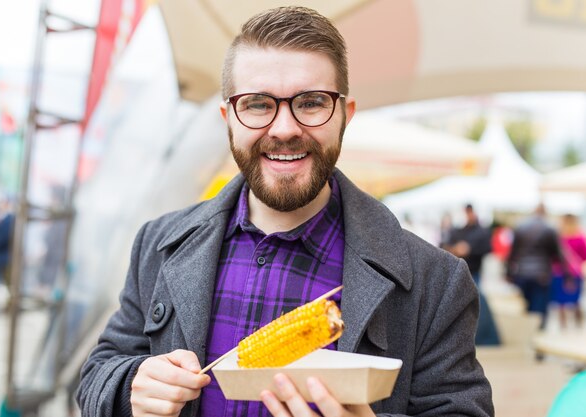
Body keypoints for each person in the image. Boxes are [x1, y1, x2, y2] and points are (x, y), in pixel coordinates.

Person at [77, 7, 493, 417]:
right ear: (229, 119)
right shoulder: (158, 245)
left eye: (311, 102)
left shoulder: (435, 283)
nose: (284, 129)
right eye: (258, 104)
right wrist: (131, 386)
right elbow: (96, 373)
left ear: (345, 117)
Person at [444, 204, 499, 345]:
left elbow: (487, 248)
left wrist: (469, 249)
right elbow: (444, 246)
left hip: (472, 272)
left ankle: (477, 340)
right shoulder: (457, 230)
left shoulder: (480, 231)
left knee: (476, 306)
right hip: (459, 273)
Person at [507, 203, 566, 330]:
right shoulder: (549, 228)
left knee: (525, 308)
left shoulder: (520, 227)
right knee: (539, 311)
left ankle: (525, 335)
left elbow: (512, 253)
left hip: (522, 273)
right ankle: (536, 339)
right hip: (542, 275)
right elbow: (558, 254)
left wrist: (508, 273)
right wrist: (567, 275)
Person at [551, 214, 584, 328]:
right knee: (575, 300)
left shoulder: (558, 237)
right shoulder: (579, 238)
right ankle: (578, 324)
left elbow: (553, 256)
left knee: (561, 302)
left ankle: (563, 326)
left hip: (559, 272)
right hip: (575, 272)